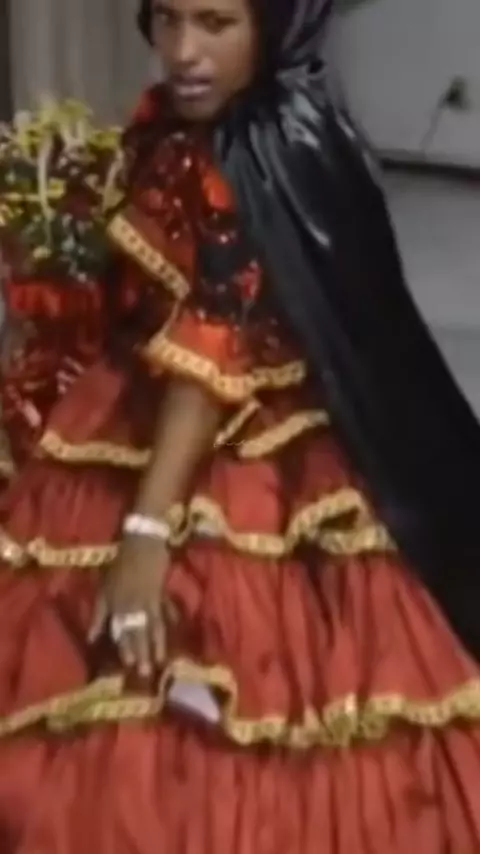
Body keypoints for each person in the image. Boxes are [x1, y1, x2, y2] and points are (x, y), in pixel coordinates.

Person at [1, 0, 480, 851]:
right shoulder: (184, 120)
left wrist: (147, 531)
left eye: (216, 24)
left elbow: (214, 334)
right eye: (168, 19)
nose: (184, 51)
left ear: (273, 26)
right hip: (142, 389)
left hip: (247, 430)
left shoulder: (268, 143)